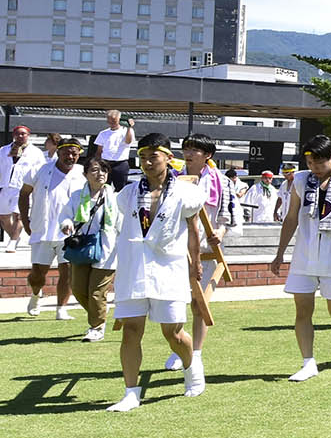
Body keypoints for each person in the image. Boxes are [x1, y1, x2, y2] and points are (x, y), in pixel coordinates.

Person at [107, 133, 208, 408]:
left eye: (153, 156)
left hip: (168, 269)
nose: (147, 162)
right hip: (133, 268)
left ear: (168, 158)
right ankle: (131, 392)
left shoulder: (186, 193)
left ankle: (191, 368)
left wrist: (196, 262)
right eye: (142, 157)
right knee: (130, 331)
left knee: (173, 333)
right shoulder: (127, 193)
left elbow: (193, 231)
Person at [271, 134, 331, 382]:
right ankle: (308, 362)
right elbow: (291, 217)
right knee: (302, 310)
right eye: (310, 162)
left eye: (319, 163)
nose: (313, 168)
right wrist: (280, 252)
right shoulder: (301, 180)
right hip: (304, 256)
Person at [21, 134, 86, 319]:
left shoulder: (82, 173)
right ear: (58, 152)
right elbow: (24, 194)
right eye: (67, 153)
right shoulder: (39, 169)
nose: (70, 157)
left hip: (69, 234)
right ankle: (35, 295)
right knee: (37, 275)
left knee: (67, 272)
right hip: (41, 230)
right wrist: (26, 221)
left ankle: (61, 309)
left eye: (74, 154)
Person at [180, 135, 228, 371]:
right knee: (178, 302)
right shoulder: (173, 177)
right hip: (177, 248)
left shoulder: (220, 181)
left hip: (207, 248)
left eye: (195, 150)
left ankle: (195, 352)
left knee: (200, 303)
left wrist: (221, 230)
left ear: (207, 155)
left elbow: (229, 214)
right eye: (186, 149)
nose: (189, 154)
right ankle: (180, 346)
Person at [58, 153, 119, 340]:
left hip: (107, 249)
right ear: (85, 174)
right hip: (82, 248)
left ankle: (97, 327)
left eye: (103, 170)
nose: (99, 173)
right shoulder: (78, 196)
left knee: (96, 292)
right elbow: (65, 215)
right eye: (94, 170)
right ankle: (98, 315)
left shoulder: (115, 198)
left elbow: (121, 224)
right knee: (77, 288)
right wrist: (67, 224)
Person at [1, 124, 45, 253]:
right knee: (3, 216)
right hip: (4, 185)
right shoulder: (4, 150)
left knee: (18, 215)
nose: (20, 136)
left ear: (28, 135)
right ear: (14, 135)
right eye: (18, 133)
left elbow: (40, 170)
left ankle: (12, 242)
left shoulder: (35, 152)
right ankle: (14, 237)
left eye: (23, 133)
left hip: (22, 186)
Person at [93, 108, 135, 189]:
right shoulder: (103, 133)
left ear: (119, 120)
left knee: (121, 188)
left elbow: (128, 141)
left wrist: (129, 127)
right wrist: (97, 163)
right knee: (103, 187)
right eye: (110, 121)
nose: (112, 123)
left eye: (114, 121)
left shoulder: (126, 131)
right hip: (106, 163)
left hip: (120, 163)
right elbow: (99, 151)